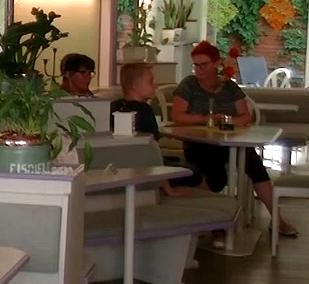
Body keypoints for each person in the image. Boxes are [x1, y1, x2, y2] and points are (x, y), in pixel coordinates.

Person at [171, 41, 298, 237]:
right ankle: (213, 220)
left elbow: (246, 116)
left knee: (254, 165)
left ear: (216, 64)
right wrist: (205, 119)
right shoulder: (189, 85)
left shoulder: (229, 87)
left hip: (228, 139)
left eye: (204, 65)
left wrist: (227, 122)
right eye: (196, 65)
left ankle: (277, 219)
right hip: (199, 142)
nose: (199, 70)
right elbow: (177, 116)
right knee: (216, 175)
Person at [110, 62, 205, 197]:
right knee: (196, 172)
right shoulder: (144, 111)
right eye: (151, 82)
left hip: (119, 169)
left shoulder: (114, 106)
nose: (156, 85)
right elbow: (150, 152)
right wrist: (168, 188)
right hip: (145, 170)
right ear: (135, 86)